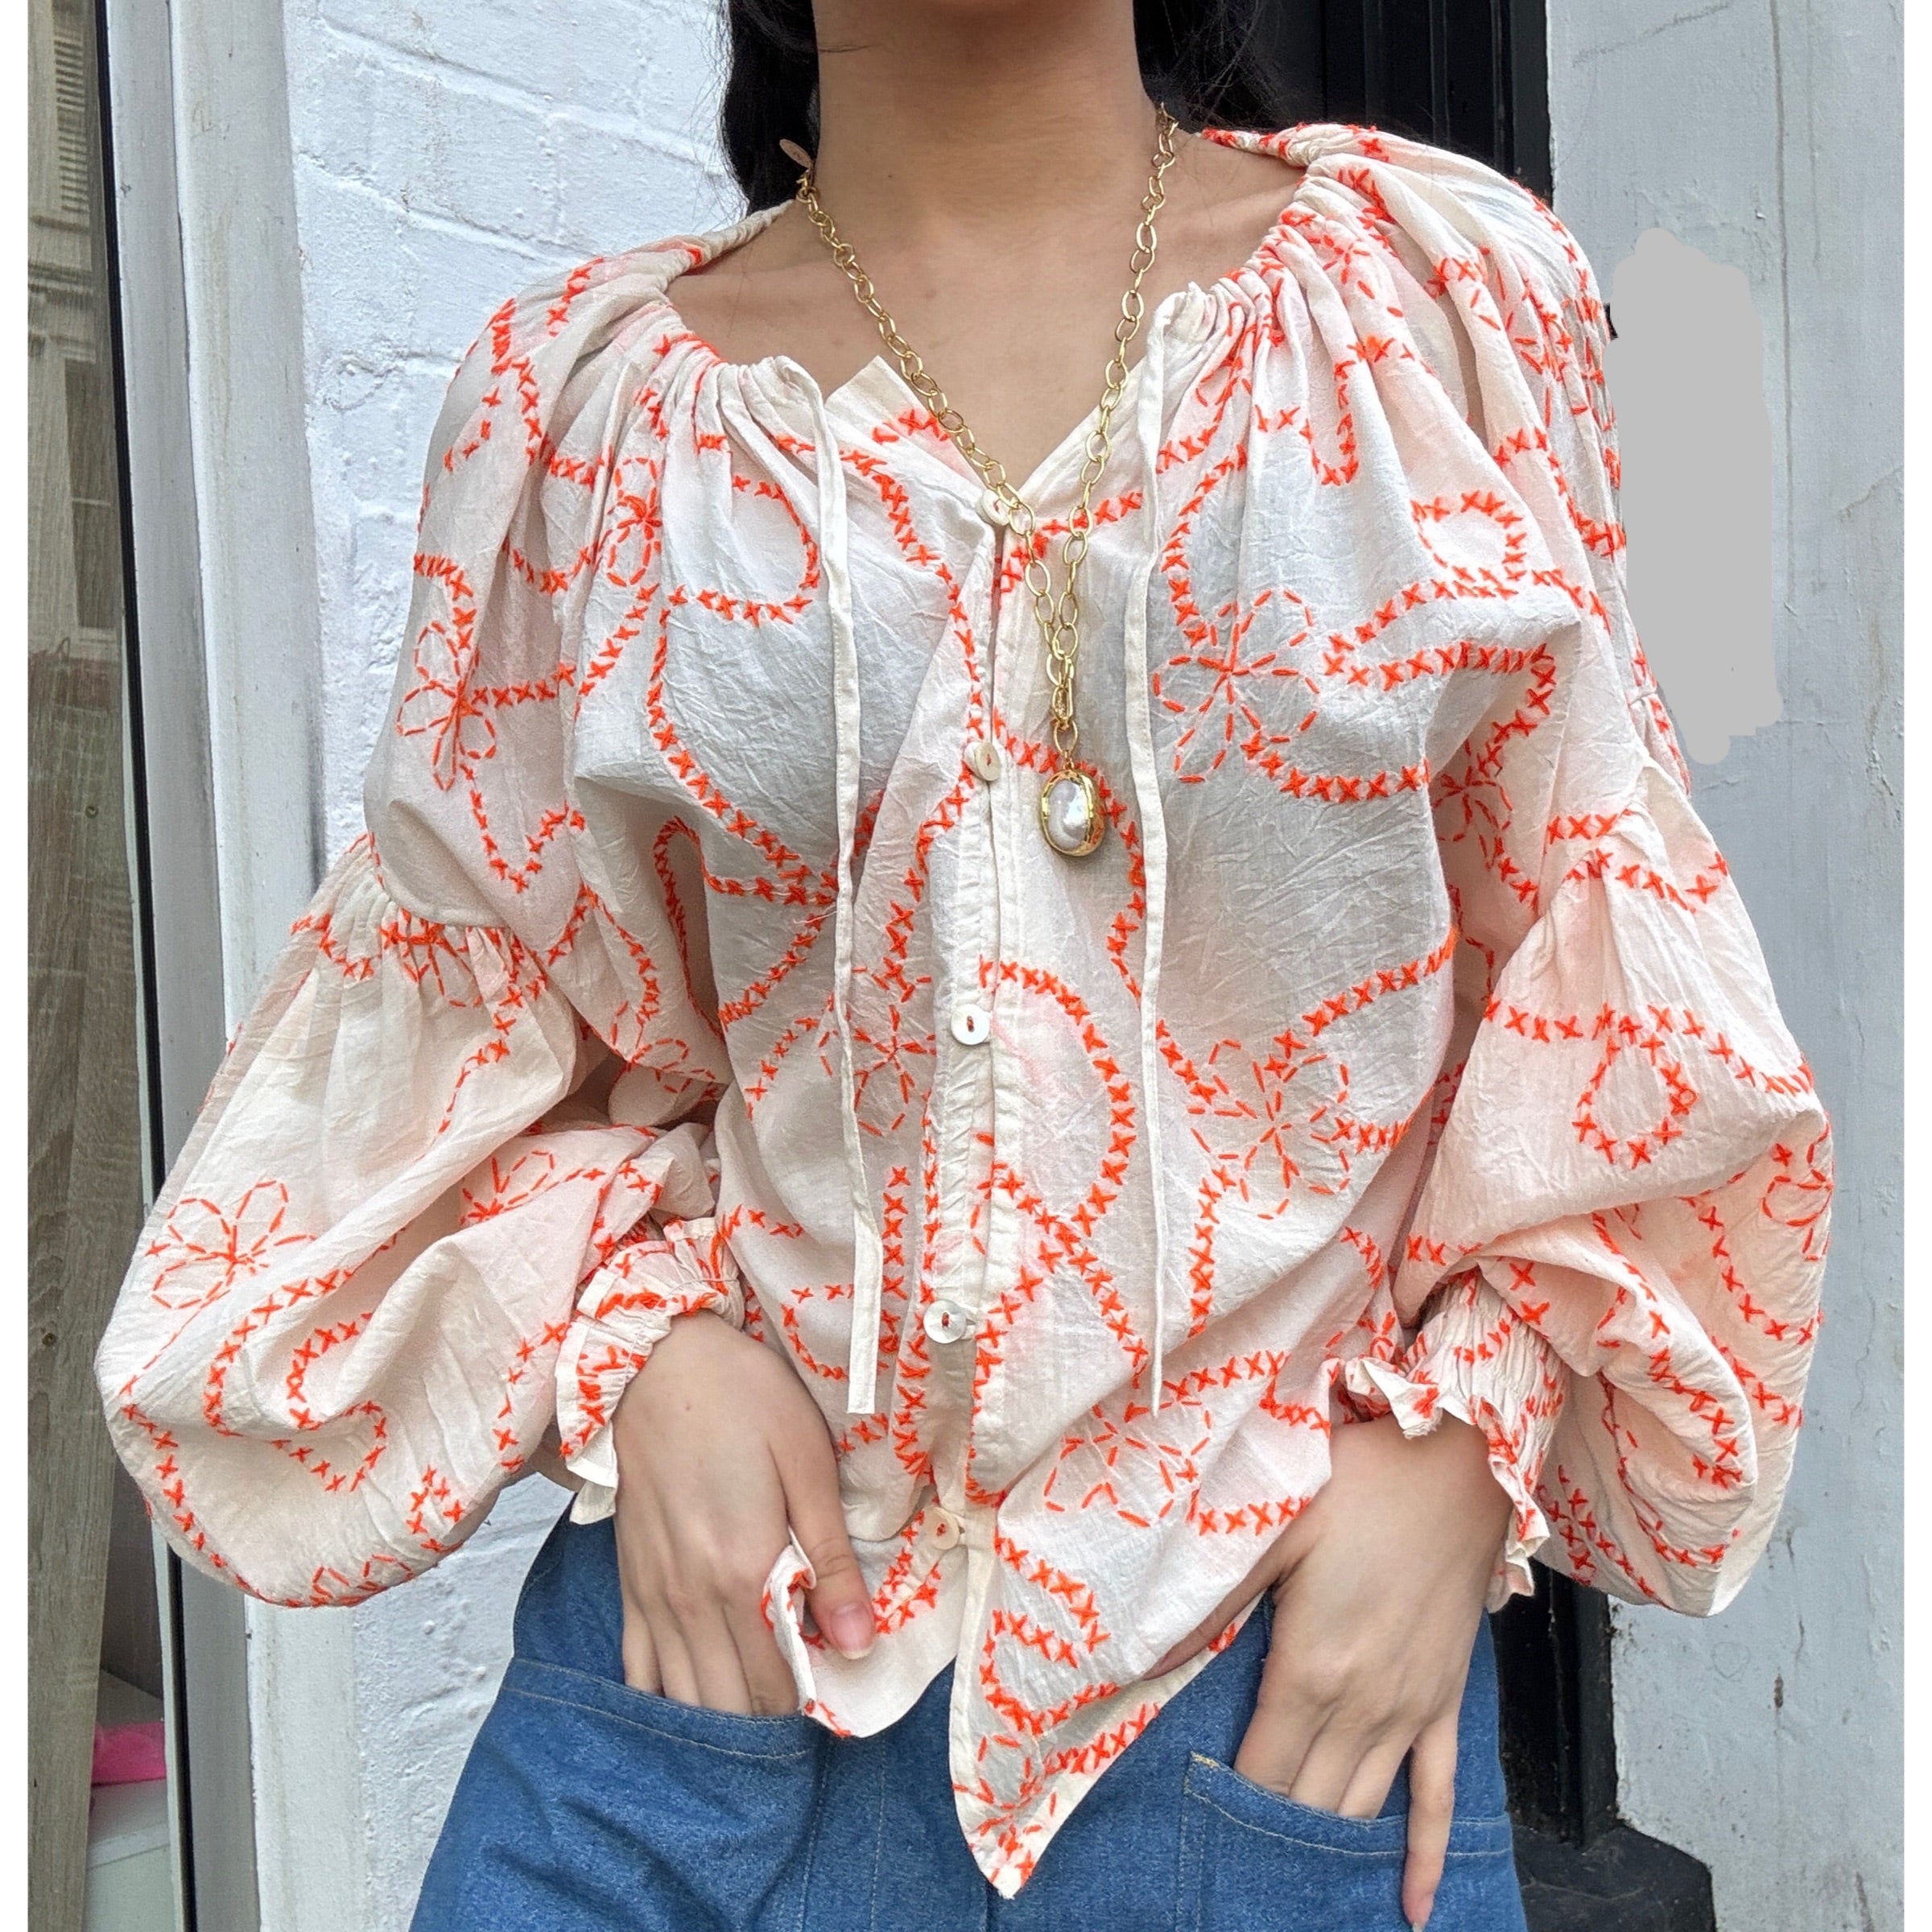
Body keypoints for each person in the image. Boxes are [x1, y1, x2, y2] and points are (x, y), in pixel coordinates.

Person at [95, 2, 1834, 1927]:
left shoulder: (1439, 302)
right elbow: (485, 1020)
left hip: (1283, 1718)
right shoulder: (584, 412)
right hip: (717, 1690)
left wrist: (1466, 1447)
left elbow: (1594, 952)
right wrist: (639, 1339)